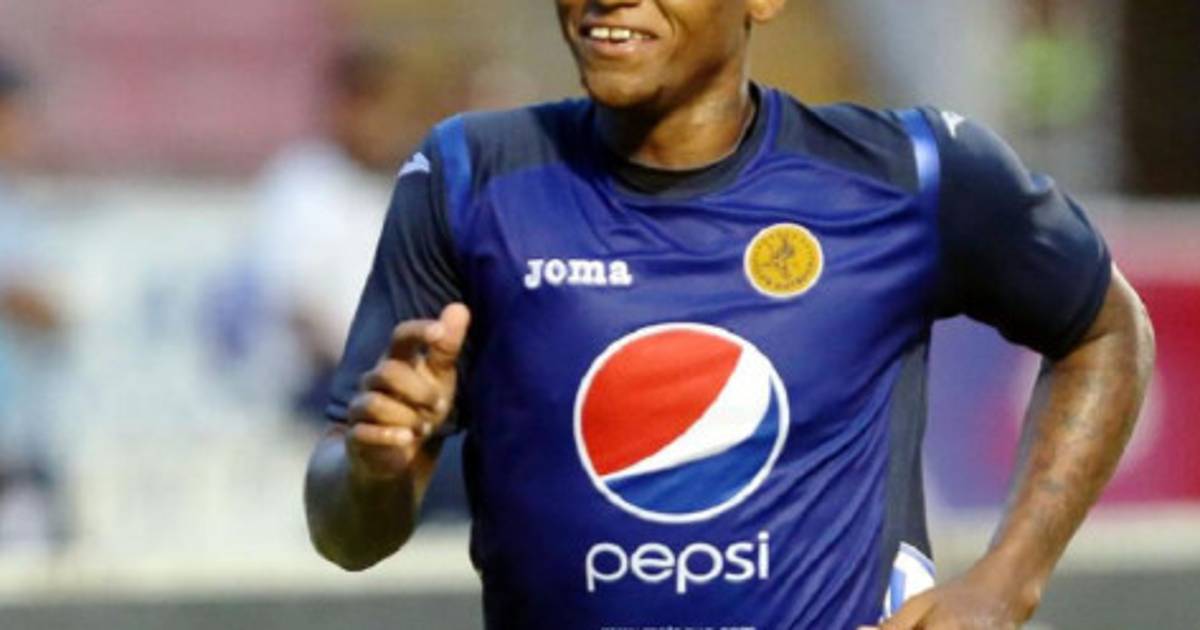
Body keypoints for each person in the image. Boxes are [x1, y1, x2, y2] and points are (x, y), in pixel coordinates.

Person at [304, 1, 1155, 628]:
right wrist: (376, 470)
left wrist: (1007, 582)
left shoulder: (911, 175)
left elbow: (1107, 331)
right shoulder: (470, 178)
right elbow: (346, 536)